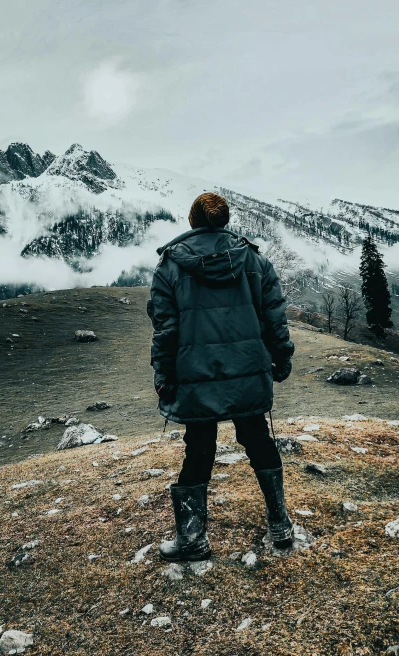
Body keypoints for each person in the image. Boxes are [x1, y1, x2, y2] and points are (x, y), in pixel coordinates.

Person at [147, 192, 295, 562]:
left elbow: (165, 330)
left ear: (193, 220)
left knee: (199, 447)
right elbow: (274, 315)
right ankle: (280, 524)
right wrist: (280, 358)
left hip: (196, 375)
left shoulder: (170, 267)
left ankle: (193, 539)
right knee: (258, 438)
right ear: (225, 221)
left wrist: (164, 376)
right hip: (248, 368)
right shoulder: (255, 260)